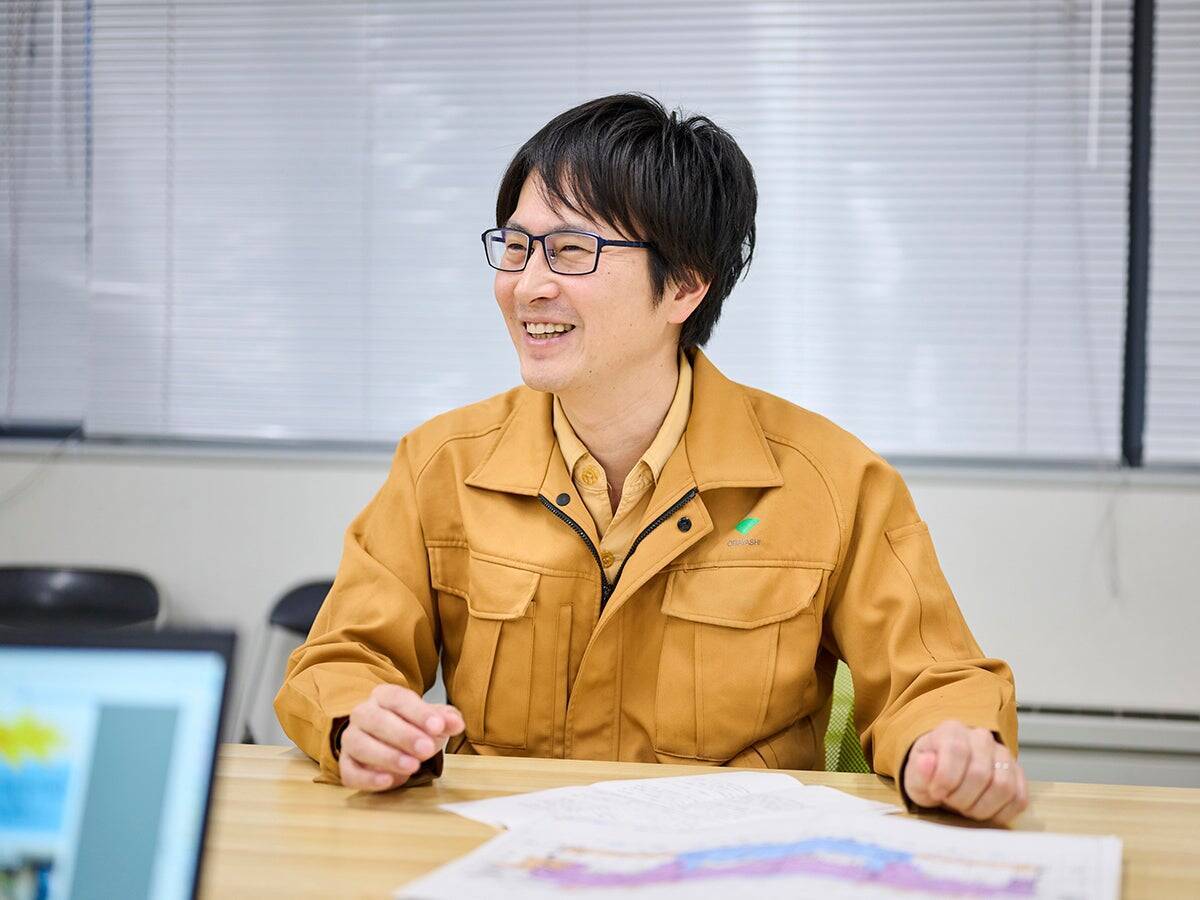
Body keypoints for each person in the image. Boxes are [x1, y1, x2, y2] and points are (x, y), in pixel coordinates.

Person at [275, 93, 1028, 824]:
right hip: (509, 860)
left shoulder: (832, 479)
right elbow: (341, 658)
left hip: (733, 867)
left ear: (686, 285)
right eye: (516, 246)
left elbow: (936, 681)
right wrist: (357, 721)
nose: (527, 285)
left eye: (572, 250)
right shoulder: (441, 463)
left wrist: (951, 748)